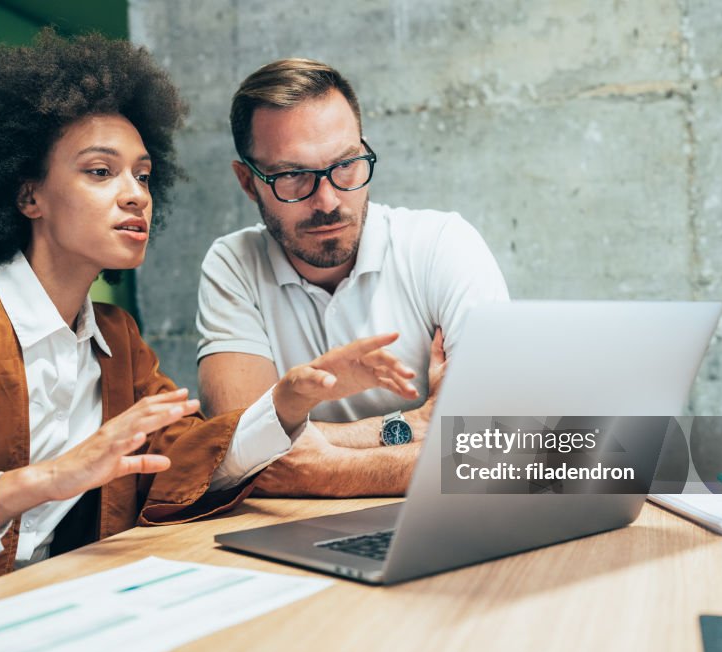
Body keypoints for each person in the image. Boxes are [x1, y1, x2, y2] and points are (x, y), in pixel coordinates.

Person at [0, 34, 418, 637]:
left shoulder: (115, 338)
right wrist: (39, 482)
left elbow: (184, 461)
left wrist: (288, 401)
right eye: (100, 172)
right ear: (27, 192)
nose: (136, 194)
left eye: (142, 174)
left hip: (63, 620)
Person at [196, 59, 509, 497]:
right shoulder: (234, 263)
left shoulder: (442, 244)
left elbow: (499, 447)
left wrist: (329, 468)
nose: (327, 200)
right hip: (295, 532)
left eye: (346, 165)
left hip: (437, 517)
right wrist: (413, 424)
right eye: (292, 175)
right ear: (248, 182)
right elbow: (234, 453)